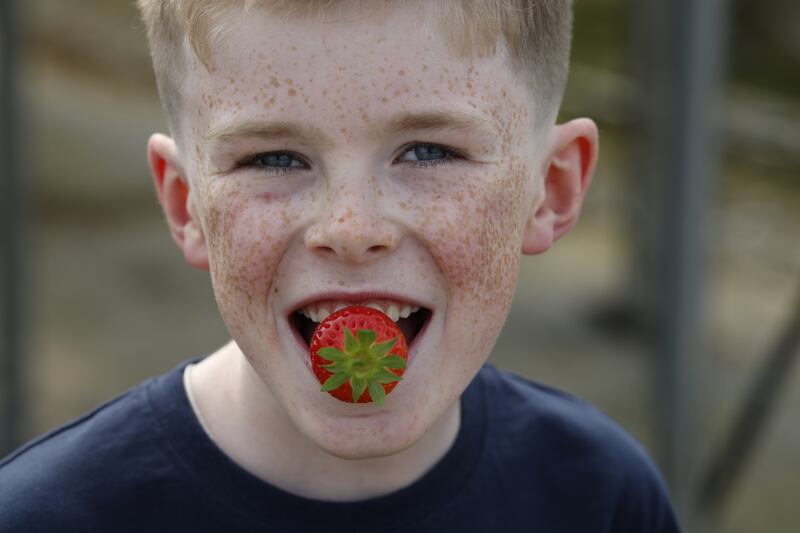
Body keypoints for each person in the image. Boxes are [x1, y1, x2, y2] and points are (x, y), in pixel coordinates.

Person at [0, 1, 681, 531]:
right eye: (274, 158)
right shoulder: (40, 518)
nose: (351, 230)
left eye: (427, 151)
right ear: (187, 204)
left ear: (551, 189)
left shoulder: (601, 499)